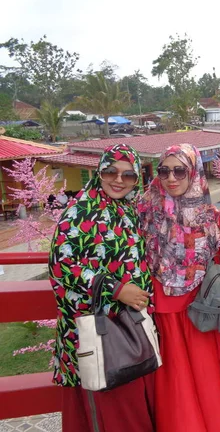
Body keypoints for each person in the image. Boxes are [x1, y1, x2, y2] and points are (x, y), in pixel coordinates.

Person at [48, 144, 155, 432]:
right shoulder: (80, 211)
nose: (119, 180)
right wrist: (116, 289)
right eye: (111, 172)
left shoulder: (127, 209)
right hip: (98, 333)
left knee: (128, 404)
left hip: (128, 330)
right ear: (99, 172)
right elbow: (61, 265)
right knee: (105, 407)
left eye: (129, 175)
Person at [138, 144, 220, 432]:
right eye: (164, 170)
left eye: (179, 170)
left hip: (200, 310)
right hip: (162, 310)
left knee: (203, 377)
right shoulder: (145, 208)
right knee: (173, 380)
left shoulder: (208, 215)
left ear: (193, 171)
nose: (171, 178)